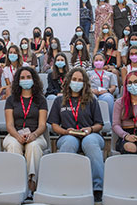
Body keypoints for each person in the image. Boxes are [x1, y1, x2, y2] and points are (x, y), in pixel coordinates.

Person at [47, 67, 104, 202]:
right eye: (74, 79)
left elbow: (99, 125)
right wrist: (65, 132)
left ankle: (97, 187)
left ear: (84, 83)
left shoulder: (92, 99)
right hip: (67, 135)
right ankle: (65, 183)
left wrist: (90, 129)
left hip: (90, 134)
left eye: (80, 80)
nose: (76, 82)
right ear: (68, 81)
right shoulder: (59, 101)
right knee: (69, 143)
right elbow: (54, 125)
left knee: (90, 143)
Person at [4, 66, 47, 195]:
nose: (25, 80)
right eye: (22, 77)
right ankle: (16, 182)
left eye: (28, 77)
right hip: (14, 134)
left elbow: (42, 125)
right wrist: (17, 136)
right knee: (12, 145)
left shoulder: (41, 100)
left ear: (34, 79)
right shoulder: (11, 100)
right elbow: (9, 124)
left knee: (33, 146)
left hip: (36, 135)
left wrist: (34, 135)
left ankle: (32, 182)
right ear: (18, 81)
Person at [88, 53, 117, 122]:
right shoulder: (88, 73)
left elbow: (113, 87)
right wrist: (91, 90)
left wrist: (107, 91)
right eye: (96, 60)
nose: (98, 62)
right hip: (92, 93)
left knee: (108, 98)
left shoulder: (110, 74)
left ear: (104, 61)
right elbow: (86, 85)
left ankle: (109, 123)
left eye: (100, 60)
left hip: (105, 93)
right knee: (91, 98)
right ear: (93, 62)